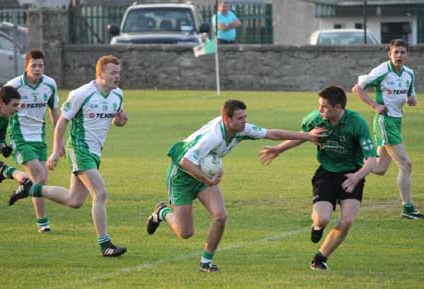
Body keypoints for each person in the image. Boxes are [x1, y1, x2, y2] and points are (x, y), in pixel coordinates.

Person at [145, 99, 326, 272]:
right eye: (240, 118)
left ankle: (206, 262)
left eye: (245, 117)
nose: (244, 122)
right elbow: (185, 162)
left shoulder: (242, 129)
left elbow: (272, 133)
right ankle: (162, 212)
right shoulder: (213, 137)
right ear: (227, 119)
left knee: (220, 216)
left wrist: (307, 136)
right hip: (182, 176)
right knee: (185, 233)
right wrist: (208, 180)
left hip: (205, 174)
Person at [8, 55, 128, 257]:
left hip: (95, 152)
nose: (117, 76)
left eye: (118, 73)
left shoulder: (118, 95)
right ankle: (105, 245)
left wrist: (121, 120)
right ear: (100, 74)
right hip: (79, 149)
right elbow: (62, 121)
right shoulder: (82, 93)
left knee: (75, 200)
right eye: (112, 73)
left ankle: (31, 189)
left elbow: (116, 120)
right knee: (100, 193)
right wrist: (56, 151)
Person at [259, 86, 377, 271]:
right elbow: (303, 136)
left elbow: (372, 159)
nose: (319, 110)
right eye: (319, 106)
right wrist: (279, 149)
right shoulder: (316, 119)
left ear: (338, 107)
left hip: (352, 174)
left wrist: (357, 176)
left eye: (324, 107)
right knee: (322, 219)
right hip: (327, 173)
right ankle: (317, 226)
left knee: (346, 221)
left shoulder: (356, 123)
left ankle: (320, 258)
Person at [352, 39, 423, 219]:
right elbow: (357, 89)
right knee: (406, 165)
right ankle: (408, 209)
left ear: (407, 54)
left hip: (397, 121)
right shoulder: (382, 71)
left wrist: (411, 100)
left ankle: (350, 165)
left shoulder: (409, 74)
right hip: (385, 121)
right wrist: (374, 105)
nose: (399, 55)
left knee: (380, 168)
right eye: (396, 52)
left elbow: (410, 96)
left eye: (402, 52)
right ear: (389, 54)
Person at [0, 49, 61, 233]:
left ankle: (6, 171)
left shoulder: (49, 84)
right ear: (26, 67)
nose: (38, 69)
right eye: (34, 66)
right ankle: (43, 223)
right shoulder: (14, 85)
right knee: (40, 177)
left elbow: (54, 111)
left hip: (40, 138)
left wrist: (58, 140)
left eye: (41, 65)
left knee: (40, 181)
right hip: (20, 137)